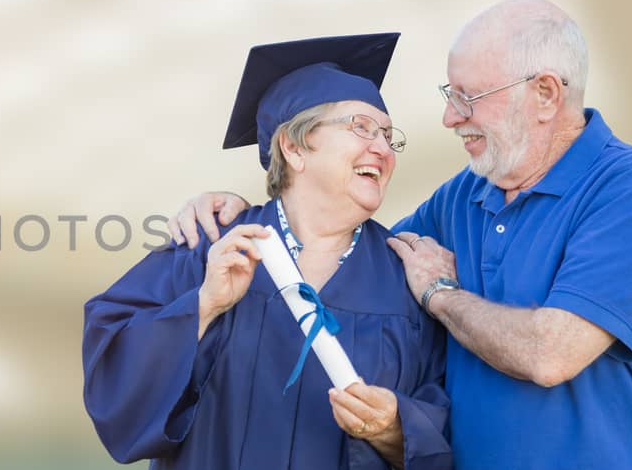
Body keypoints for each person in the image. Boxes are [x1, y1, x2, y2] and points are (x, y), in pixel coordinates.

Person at [167, 0, 632, 469]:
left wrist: (441, 297)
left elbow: (550, 355)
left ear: (543, 94)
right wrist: (254, 207)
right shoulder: (463, 197)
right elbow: (350, 259)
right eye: (450, 94)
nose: (449, 117)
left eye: (468, 97)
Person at [82, 33, 451, 470]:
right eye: (361, 127)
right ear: (293, 148)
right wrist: (201, 308)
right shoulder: (210, 249)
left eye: (389, 136)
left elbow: (445, 421)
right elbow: (114, 381)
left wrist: (394, 429)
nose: (383, 149)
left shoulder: (404, 281)